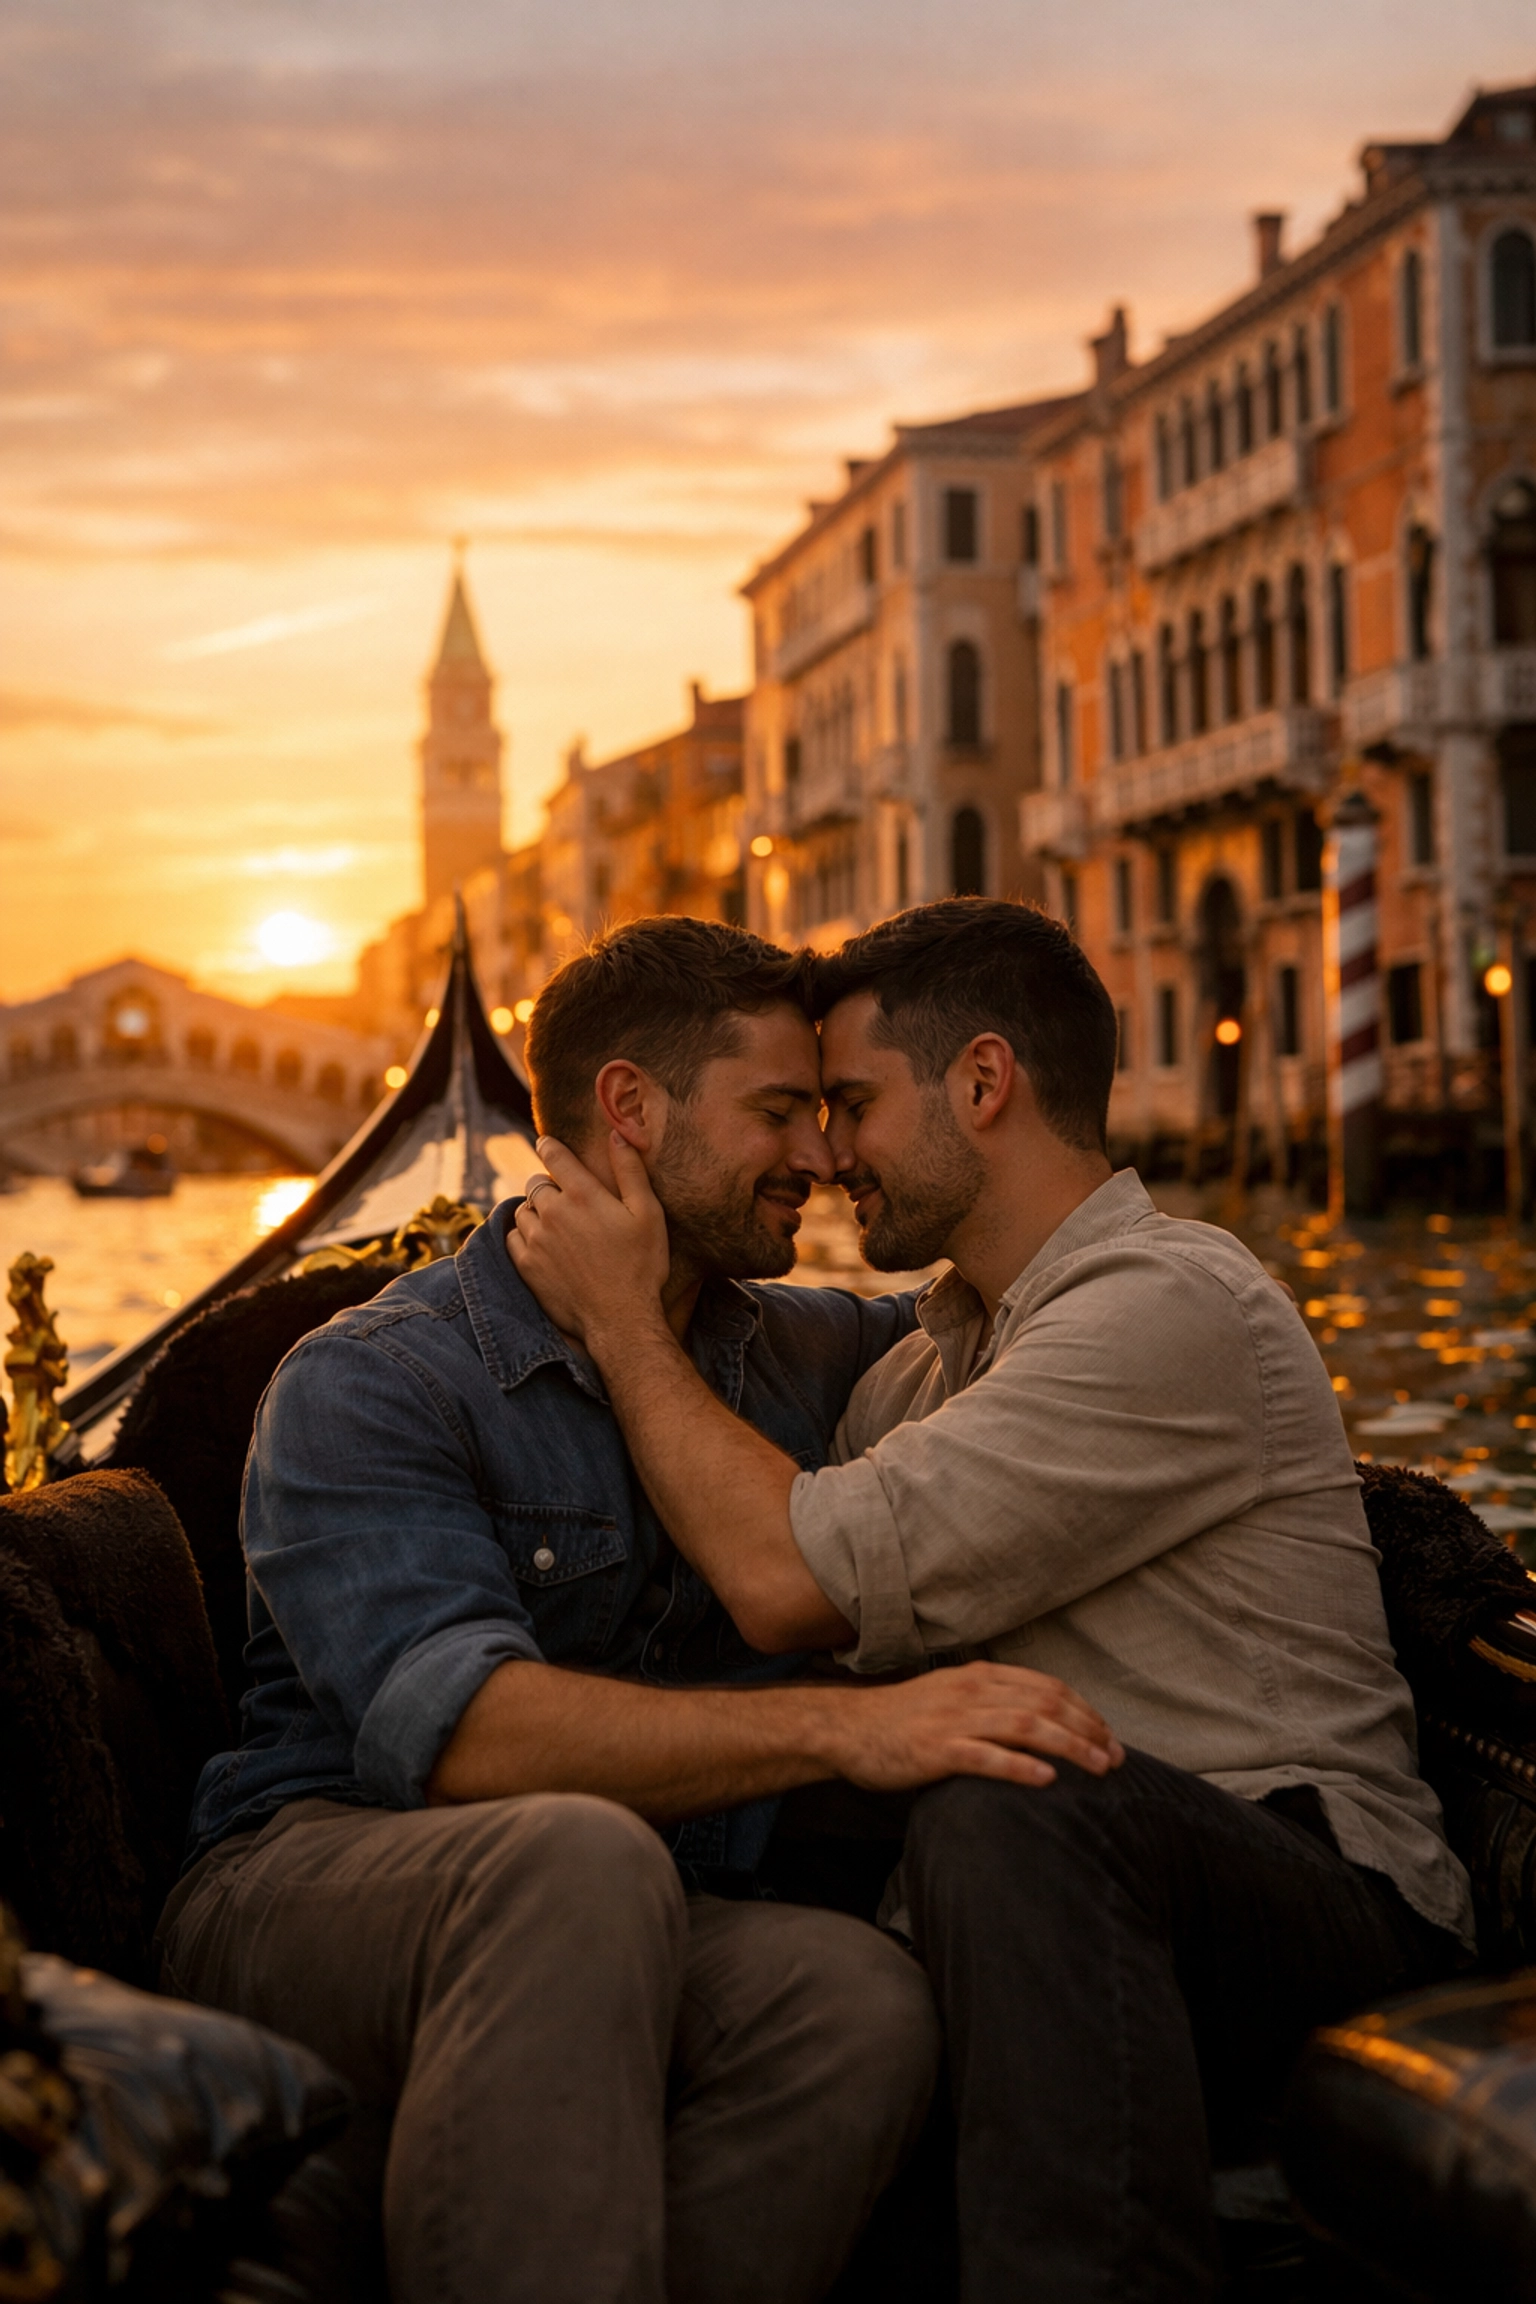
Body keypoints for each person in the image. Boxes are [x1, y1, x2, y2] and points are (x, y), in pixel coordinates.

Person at [509, 895, 1476, 2304]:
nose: (829, 1154)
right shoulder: (914, 1372)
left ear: (983, 1081)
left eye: (852, 1104)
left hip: (1319, 1907)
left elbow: (789, 1577)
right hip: (1055, 1914)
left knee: (1007, 1782)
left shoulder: (1171, 1306)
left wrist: (615, 1316)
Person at [155, 912, 1121, 2304]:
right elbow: (466, 1739)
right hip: (316, 1878)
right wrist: (850, 1732)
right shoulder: (372, 1379)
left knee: (858, 2002)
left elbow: (1044, 1331)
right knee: (576, 1861)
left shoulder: (807, 1352)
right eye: (780, 1111)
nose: (820, 1156)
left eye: (827, 1112)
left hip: (643, 1894)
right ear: (629, 1109)